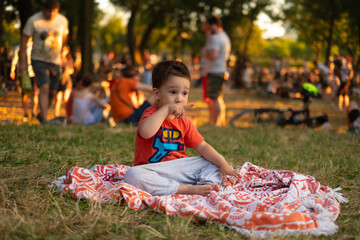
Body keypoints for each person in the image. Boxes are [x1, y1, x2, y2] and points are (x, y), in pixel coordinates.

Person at [124, 60, 240, 196]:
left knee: (215, 159)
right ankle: (184, 190)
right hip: (153, 170)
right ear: (156, 94)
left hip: (179, 169)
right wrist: (167, 109)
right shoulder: (151, 114)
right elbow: (146, 132)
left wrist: (224, 165)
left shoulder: (184, 121)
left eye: (184, 93)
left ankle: (207, 185)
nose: (179, 99)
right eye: (173, 92)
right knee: (131, 175)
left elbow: (202, 147)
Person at [19, 0, 69, 124]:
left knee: (53, 91)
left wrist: (63, 56)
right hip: (38, 59)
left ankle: (42, 114)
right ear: (44, 9)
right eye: (48, 11)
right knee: (44, 86)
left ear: (57, 11)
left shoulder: (62, 21)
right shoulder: (34, 21)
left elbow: (64, 39)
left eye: (54, 12)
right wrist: (22, 63)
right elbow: (24, 41)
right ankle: (46, 120)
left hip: (55, 60)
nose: (50, 14)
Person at [205, 16, 231, 126]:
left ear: (213, 26)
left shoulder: (215, 38)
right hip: (222, 70)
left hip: (214, 71)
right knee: (218, 97)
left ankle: (214, 122)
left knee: (213, 98)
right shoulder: (225, 37)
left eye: (207, 26)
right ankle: (220, 120)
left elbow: (214, 55)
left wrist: (206, 54)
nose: (205, 29)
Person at [10, 40, 39, 120]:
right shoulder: (18, 47)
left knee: (35, 93)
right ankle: (25, 113)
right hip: (24, 73)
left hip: (34, 72)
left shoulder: (36, 45)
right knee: (24, 93)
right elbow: (15, 60)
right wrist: (12, 70)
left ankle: (33, 112)